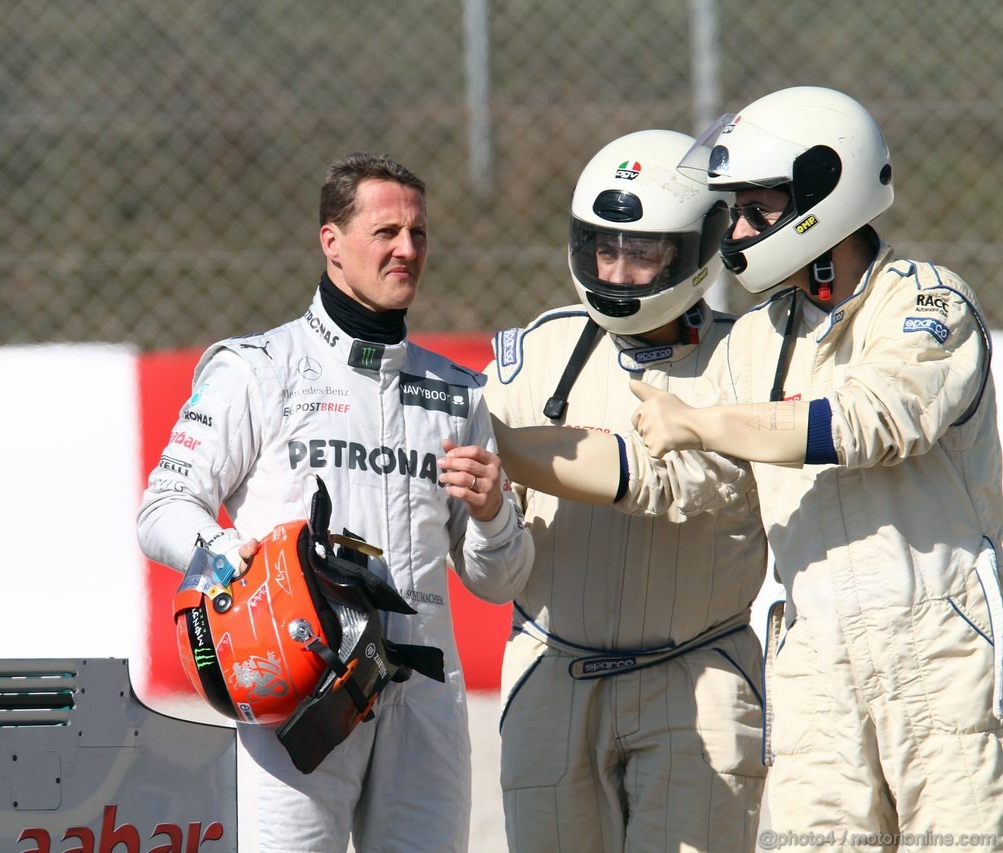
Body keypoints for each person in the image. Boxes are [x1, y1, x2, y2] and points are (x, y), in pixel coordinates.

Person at [620, 86, 1003, 839]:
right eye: (733, 208)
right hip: (812, 667)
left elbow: (875, 420)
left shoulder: (929, 302)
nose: (736, 229)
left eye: (755, 207)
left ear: (824, 192)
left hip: (942, 650)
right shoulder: (757, 340)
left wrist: (705, 421)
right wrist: (515, 461)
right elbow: (695, 482)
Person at [138, 151, 533, 853]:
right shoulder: (258, 368)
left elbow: (496, 580)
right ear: (332, 242)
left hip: (424, 702)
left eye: (417, 233)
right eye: (385, 232)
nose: (407, 249)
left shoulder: (459, 392)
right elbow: (165, 505)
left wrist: (495, 511)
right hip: (299, 693)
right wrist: (231, 559)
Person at [484, 129, 768, 852]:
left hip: (698, 675)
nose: (619, 269)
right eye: (604, 247)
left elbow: (684, 483)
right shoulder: (532, 356)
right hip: (551, 672)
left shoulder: (751, 357)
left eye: (644, 252)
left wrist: (512, 452)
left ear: (696, 249)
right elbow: (483, 545)